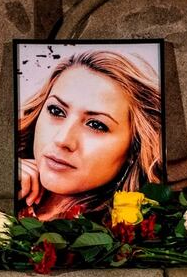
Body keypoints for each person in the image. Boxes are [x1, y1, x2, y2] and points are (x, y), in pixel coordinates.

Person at [17, 49, 163, 221]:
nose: (62, 140)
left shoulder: (125, 237)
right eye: (56, 110)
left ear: (134, 148)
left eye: (96, 125)